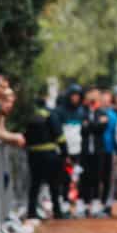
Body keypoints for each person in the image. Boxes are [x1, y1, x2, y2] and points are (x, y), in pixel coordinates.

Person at [23, 89, 69, 219]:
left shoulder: (29, 115)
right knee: (54, 184)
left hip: (33, 155)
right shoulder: (50, 114)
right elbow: (59, 135)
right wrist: (65, 153)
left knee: (35, 184)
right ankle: (57, 211)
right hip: (50, 155)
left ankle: (32, 212)